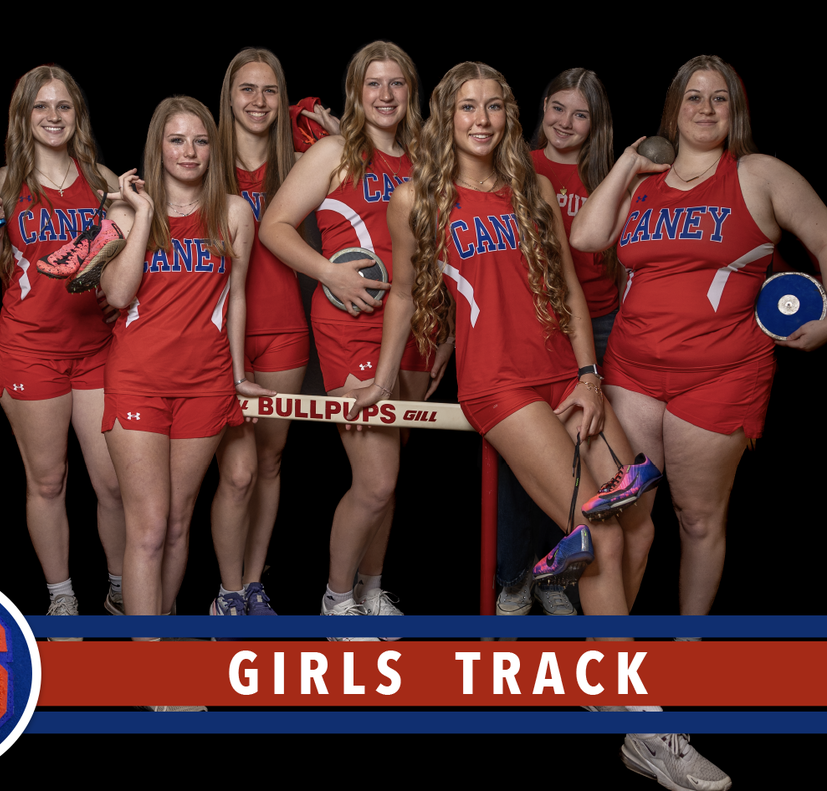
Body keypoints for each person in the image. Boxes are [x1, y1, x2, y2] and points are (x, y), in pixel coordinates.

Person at [349, 60, 730, 791]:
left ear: (508, 115)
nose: (483, 120)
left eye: (494, 106)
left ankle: (599, 662)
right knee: (603, 532)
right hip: (500, 383)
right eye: (467, 108)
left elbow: (570, 294)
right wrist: (383, 373)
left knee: (643, 520)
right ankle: (645, 727)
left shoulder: (534, 190)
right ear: (446, 118)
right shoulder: (415, 199)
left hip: (565, 371)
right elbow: (402, 294)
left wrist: (590, 377)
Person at [572, 55, 827, 620]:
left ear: (735, 111)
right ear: (674, 109)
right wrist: (630, 162)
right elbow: (587, 237)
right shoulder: (645, 183)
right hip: (632, 371)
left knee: (697, 517)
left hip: (720, 375)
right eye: (693, 97)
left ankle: (687, 651)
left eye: (719, 98)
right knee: (627, 516)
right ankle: (613, 665)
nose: (705, 109)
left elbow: (826, 236)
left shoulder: (758, 174)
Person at [261, 41, 449, 636]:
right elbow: (274, 226)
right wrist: (326, 270)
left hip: (415, 322)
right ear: (356, 93)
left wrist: (444, 324)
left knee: (391, 470)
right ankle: (336, 599)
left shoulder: (427, 157)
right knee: (376, 479)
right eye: (374, 84)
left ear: (411, 92)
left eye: (397, 84)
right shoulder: (336, 150)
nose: (386, 95)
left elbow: (442, 250)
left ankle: (371, 590)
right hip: (350, 320)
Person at [98, 96, 270, 632]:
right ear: (158, 147)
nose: (190, 151)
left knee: (176, 524)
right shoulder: (123, 211)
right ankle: (153, 671)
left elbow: (237, 298)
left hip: (206, 384)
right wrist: (144, 212)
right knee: (146, 528)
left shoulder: (234, 212)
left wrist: (239, 375)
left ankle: (162, 640)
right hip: (138, 382)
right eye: (177, 140)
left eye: (199, 140)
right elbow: (118, 293)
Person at [0, 65, 126, 635]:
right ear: (24, 117)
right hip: (29, 350)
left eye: (63, 106)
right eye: (42, 107)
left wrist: (116, 294)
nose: (53, 116)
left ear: (76, 115)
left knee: (112, 481)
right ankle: (62, 596)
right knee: (48, 480)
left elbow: (122, 265)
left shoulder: (104, 179)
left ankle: (119, 586)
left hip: (97, 348)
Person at [496, 69, 620, 618]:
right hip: (536, 325)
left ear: (597, 125)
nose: (566, 123)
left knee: (584, 459)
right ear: (541, 109)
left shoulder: (609, 176)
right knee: (529, 463)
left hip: (599, 326)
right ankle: (515, 577)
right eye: (558, 108)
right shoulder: (516, 165)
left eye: (581, 114)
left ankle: (558, 579)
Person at [207, 49, 309, 619]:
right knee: (237, 471)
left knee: (269, 464)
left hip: (284, 329)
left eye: (270, 91)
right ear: (229, 97)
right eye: (247, 90)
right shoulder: (204, 158)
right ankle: (226, 591)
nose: (258, 102)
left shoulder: (296, 164)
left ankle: (252, 586)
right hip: (222, 331)